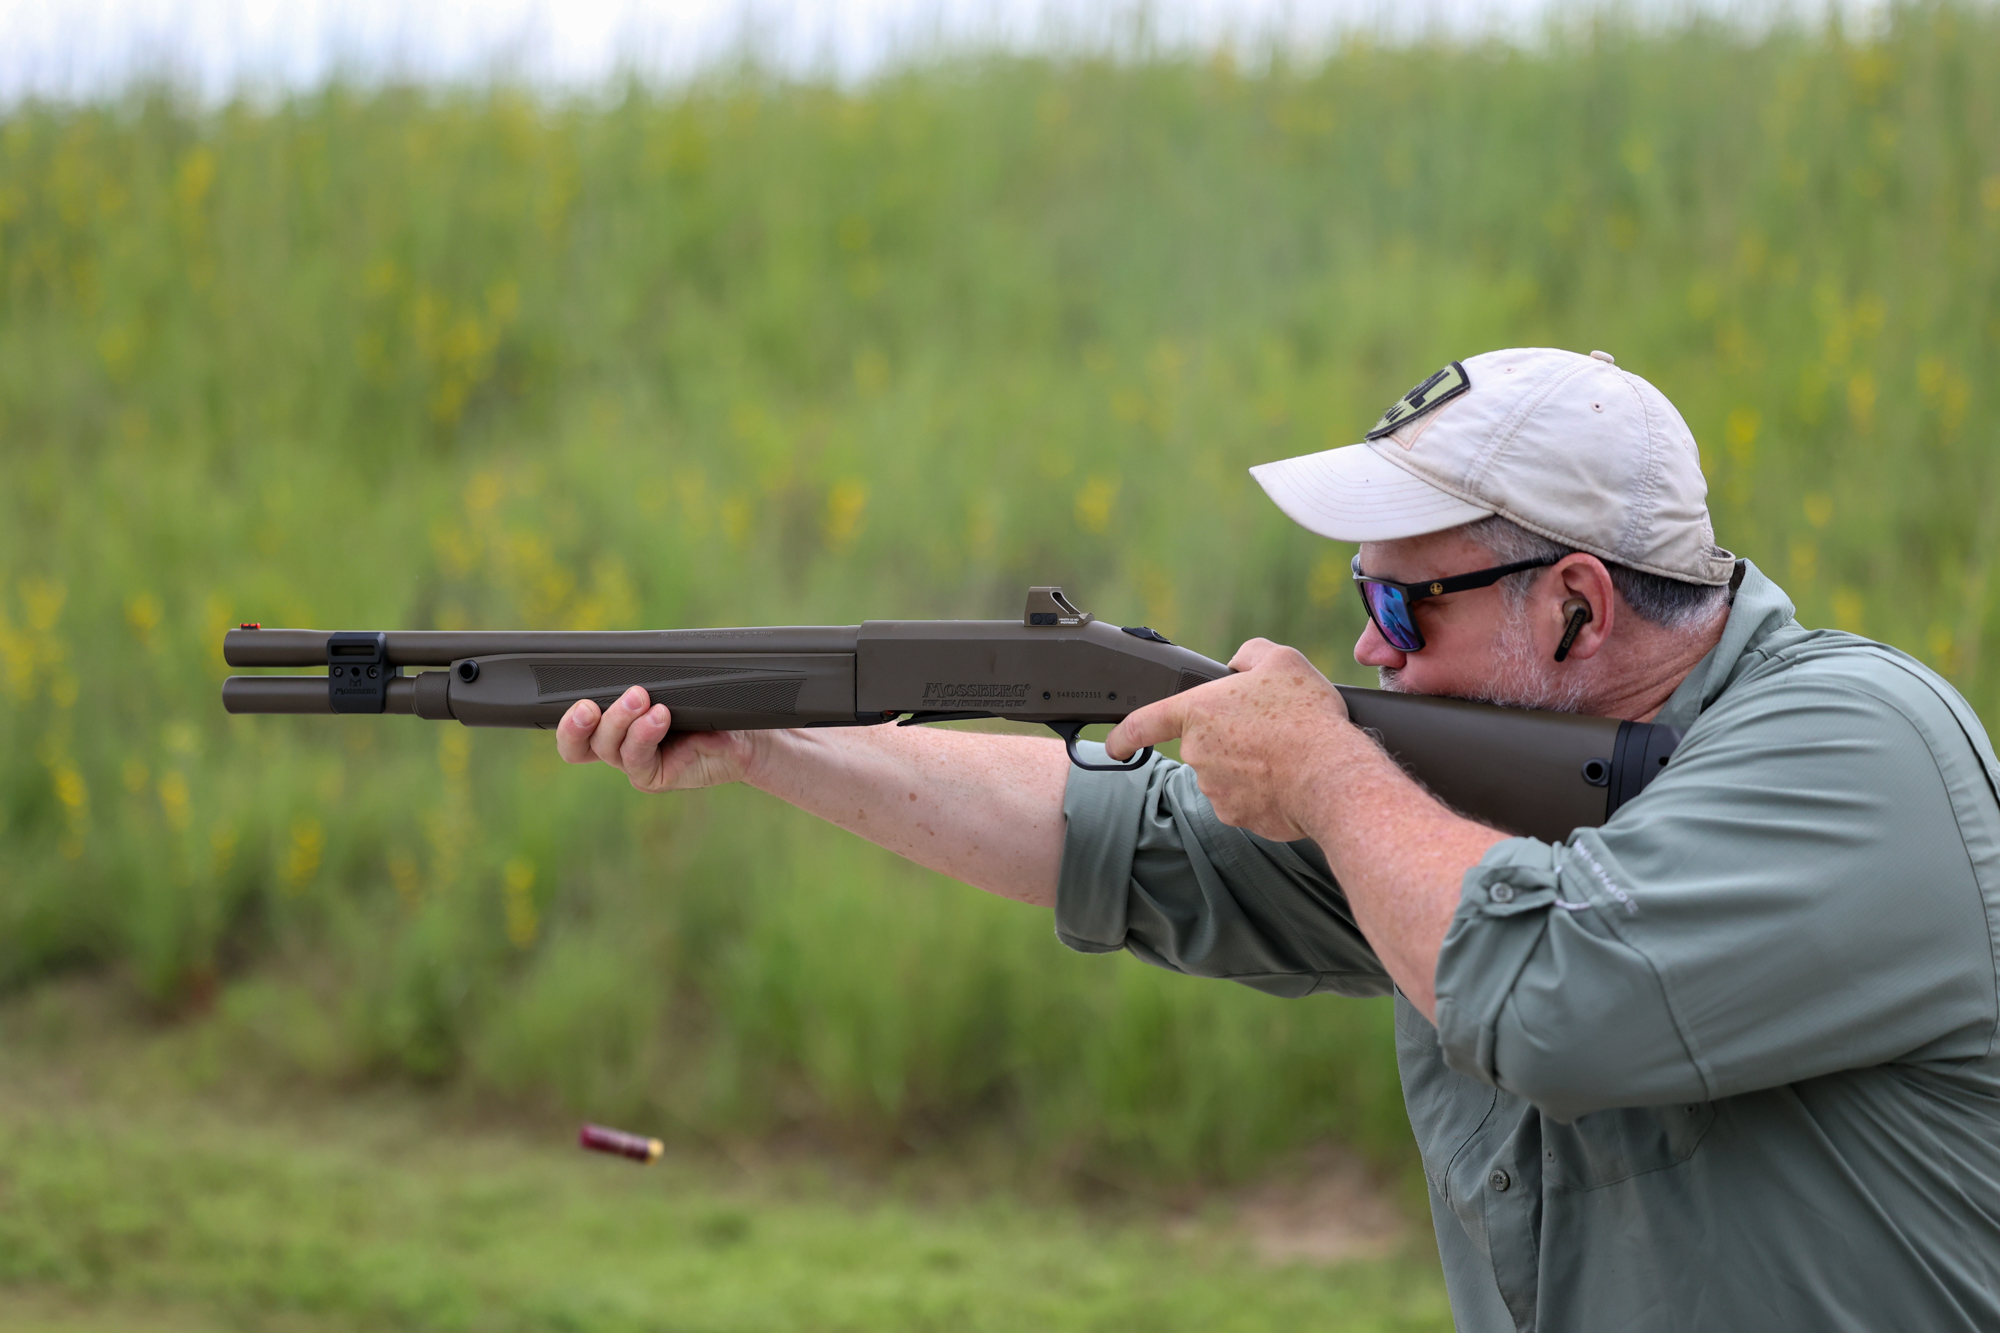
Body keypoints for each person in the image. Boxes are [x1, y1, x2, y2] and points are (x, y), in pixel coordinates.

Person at [555, 347, 2000, 1331]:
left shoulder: (1865, 751)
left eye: (1398, 610)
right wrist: (775, 744)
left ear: (1573, 605)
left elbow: (1558, 993)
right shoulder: (1474, 807)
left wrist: (1321, 769)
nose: (1364, 654)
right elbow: (1121, 837)